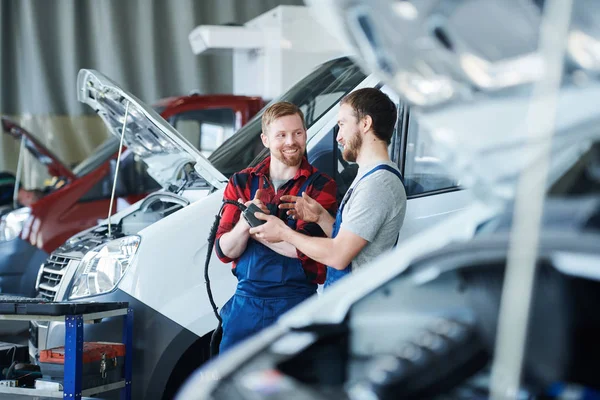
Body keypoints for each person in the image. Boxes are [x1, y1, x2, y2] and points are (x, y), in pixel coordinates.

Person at [250, 88, 407, 287]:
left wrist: (283, 232)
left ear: (365, 124)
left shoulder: (378, 185)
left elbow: (339, 255)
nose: (338, 137)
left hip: (357, 302)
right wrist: (321, 218)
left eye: (342, 125)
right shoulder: (369, 177)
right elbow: (350, 239)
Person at [215, 101, 337, 353]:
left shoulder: (321, 185)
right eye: (281, 135)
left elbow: (308, 251)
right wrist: (245, 223)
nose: (291, 141)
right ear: (265, 139)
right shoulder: (241, 181)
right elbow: (224, 251)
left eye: (298, 133)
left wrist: (256, 227)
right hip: (245, 305)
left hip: (296, 303)